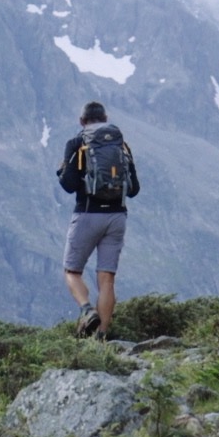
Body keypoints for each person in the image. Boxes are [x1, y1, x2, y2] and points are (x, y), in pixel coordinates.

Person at [56, 101, 139, 339]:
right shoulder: (121, 145)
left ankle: (87, 310)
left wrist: (62, 171)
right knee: (107, 280)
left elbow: (69, 185)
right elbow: (134, 189)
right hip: (117, 217)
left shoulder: (77, 143)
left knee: (72, 271)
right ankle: (101, 336)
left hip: (87, 214)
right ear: (106, 119)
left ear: (82, 121)